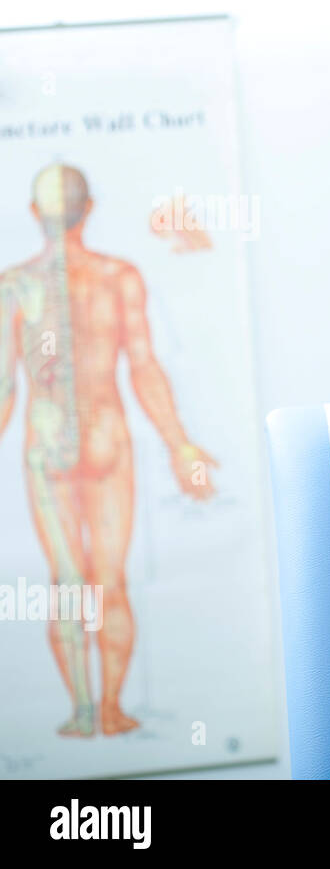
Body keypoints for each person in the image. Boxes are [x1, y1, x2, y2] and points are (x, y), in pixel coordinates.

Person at [0, 163, 218, 738]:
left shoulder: (13, 285)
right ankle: (112, 709)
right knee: (108, 579)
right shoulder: (117, 276)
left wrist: (180, 444)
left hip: (47, 447)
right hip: (106, 442)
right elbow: (143, 367)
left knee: (69, 580)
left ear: (32, 214)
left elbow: (4, 389)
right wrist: (180, 444)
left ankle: (81, 710)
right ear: (89, 208)